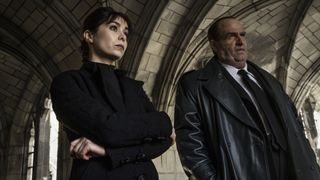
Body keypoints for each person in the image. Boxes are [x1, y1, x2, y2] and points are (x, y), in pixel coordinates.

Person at [174, 16, 320, 180]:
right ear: (214, 45)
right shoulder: (195, 84)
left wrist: (312, 167)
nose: (240, 41)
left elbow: (296, 127)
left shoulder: (270, 81)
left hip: (293, 171)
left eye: (242, 35)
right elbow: (190, 145)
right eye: (231, 36)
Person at [50, 7, 174, 180]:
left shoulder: (133, 87)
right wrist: (156, 124)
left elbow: (166, 136)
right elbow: (109, 129)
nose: (123, 36)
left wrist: (108, 151)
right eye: (114, 28)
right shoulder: (67, 83)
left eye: (126, 32)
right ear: (89, 36)